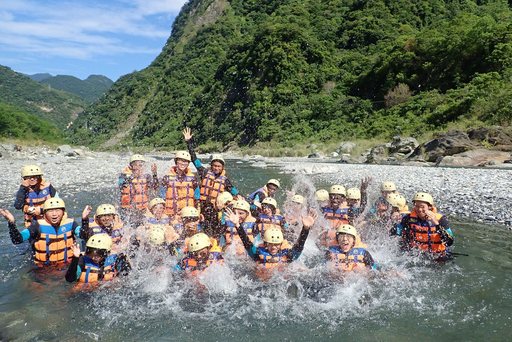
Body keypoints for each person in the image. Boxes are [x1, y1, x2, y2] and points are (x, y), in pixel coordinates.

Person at [227, 208, 316, 281]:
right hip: (261, 285)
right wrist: (237, 225)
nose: (273, 247)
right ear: (265, 244)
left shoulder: (286, 255)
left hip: (280, 285)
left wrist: (305, 229)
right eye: (270, 244)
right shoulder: (258, 255)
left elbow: (299, 247)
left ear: (281, 244)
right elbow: (247, 243)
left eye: (276, 244)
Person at [182, 127, 238, 232]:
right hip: (202, 208)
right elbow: (194, 159)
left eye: (219, 166)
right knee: (202, 230)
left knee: (216, 232)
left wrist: (244, 200)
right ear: (211, 165)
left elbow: (235, 192)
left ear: (222, 168)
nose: (216, 168)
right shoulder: (204, 172)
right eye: (215, 165)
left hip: (215, 211)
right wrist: (189, 142)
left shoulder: (225, 180)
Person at [0, 198, 80, 268]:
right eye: (51, 211)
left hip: (67, 266)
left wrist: (85, 220)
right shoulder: (36, 226)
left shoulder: (71, 224)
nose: (54, 214)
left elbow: (84, 235)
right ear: (44, 213)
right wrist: (11, 223)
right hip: (43, 269)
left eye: (58, 210)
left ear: (63, 212)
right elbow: (17, 239)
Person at [392, 192, 454, 258]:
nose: (419, 209)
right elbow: (395, 233)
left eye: (422, 207)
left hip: (438, 256)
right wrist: (395, 222)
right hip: (416, 256)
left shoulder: (441, 220)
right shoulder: (408, 218)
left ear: (429, 207)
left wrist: (436, 224)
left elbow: (449, 242)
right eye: (416, 206)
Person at [65, 234, 130, 284]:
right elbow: (69, 279)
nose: (93, 257)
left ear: (107, 252)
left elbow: (127, 276)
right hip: (83, 293)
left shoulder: (115, 260)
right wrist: (75, 258)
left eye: (99, 253)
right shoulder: (83, 260)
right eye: (90, 252)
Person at [118, 154, 159, 222]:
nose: (138, 167)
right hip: (128, 211)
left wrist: (154, 174)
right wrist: (132, 176)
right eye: (136, 165)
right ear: (131, 166)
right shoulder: (124, 176)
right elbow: (121, 185)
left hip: (143, 210)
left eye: (140, 165)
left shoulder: (147, 177)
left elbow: (155, 186)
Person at [161, 150, 198, 217]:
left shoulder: (193, 178)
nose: (183, 163)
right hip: (171, 213)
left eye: (186, 161)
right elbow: (161, 196)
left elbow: (197, 197)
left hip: (188, 213)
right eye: (181, 160)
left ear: (188, 163)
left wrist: (198, 212)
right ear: (176, 161)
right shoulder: (167, 178)